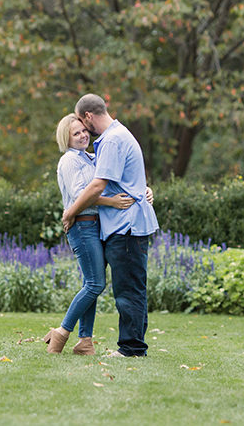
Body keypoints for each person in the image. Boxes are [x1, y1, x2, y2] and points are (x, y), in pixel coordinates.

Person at [62, 93, 159, 357]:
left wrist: (70, 212)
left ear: (88, 116)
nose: (84, 131)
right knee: (130, 286)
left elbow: (97, 186)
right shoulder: (115, 136)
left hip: (126, 226)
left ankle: (131, 348)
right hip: (124, 225)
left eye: (82, 123)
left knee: (128, 290)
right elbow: (128, 178)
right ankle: (131, 345)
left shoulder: (112, 140)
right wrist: (144, 189)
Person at [43, 113, 136, 355]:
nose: (83, 135)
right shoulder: (69, 161)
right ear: (66, 138)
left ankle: (85, 341)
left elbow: (114, 179)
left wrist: (144, 189)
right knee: (95, 284)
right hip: (82, 227)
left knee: (90, 283)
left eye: (84, 130)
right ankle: (61, 332)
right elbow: (79, 195)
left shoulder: (91, 157)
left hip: (96, 226)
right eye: (76, 133)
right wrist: (111, 202)